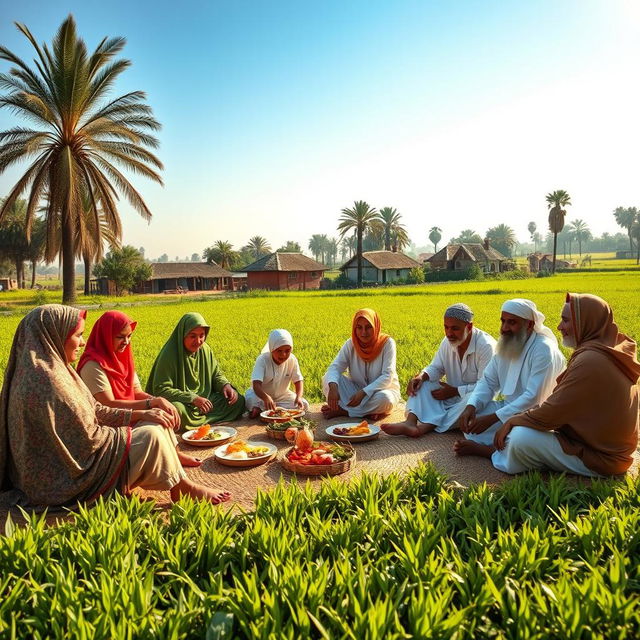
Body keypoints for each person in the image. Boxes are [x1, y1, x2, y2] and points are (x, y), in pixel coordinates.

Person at [0, 305, 230, 508]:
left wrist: (146, 410)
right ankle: (182, 487)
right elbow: (85, 435)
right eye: (77, 335)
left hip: (78, 455)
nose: (82, 341)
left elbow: (94, 412)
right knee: (151, 435)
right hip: (66, 475)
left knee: (155, 423)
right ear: (53, 336)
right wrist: (131, 425)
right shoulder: (48, 380)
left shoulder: (55, 370)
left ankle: (174, 465)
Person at [479, 294, 640, 476]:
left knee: (519, 437)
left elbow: (552, 413)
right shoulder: (603, 350)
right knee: (509, 425)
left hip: (601, 457)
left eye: (565, 320)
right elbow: (560, 405)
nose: (559, 327)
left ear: (585, 322)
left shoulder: (591, 360)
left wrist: (512, 420)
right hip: (592, 441)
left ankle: (492, 453)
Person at [77, 310, 202, 468]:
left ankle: (174, 452)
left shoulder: (122, 358)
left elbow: (136, 393)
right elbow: (108, 404)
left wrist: (158, 402)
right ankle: (171, 460)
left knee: (160, 414)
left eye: (129, 336)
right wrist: (151, 405)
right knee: (155, 422)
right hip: (111, 422)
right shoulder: (92, 365)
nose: (126, 342)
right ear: (105, 337)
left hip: (129, 414)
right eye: (120, 337)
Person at [454, 298, 565, 454]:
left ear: (529, 325)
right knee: (472, 416)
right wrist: (471, 407)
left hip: (537, 417)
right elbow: (488, 381)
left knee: (522, 438)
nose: (504, 328)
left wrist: (494, 418)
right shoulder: (507, 343)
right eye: (503, 321)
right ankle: (499, 445)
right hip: (509, 409)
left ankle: (489, 450)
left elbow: (534, 398)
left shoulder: (543, 350)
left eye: (512, 322)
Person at [382, 303, 496, 437]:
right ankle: (411, 422)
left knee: (473, 399)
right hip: (450, 397)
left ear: (469, 327)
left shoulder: (486, 347)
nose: (449, 333)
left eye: (455, 328)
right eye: (446, 327)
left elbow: (487, 388)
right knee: (423, 384)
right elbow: (436, 368)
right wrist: (421, 377)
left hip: (474, 401)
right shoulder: (447, 342)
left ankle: (426, 426)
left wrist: (454, 391)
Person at [146, 312, 245, 429]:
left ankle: (199, 422)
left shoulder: (205, 350)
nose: (198, 341)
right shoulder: (170, 354)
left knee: (238, 401)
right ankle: (202, 421)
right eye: (192, 336)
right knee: (176, 410)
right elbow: (161, 390)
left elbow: (216, 374)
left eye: (201, 336)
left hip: (206, 401)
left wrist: (225, 385)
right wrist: (192, 398)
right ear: (183, 335)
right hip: (184, 403)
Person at [321, 308, 400, 421]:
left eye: (368, 327)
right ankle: (368, 412)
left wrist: (364, 392)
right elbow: (335, 367)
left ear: (376, 326)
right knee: (328, 379)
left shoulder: (387, 343)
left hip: (381, 391)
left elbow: (387, 376)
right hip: (356, 390)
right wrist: (333, 387)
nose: (363, 332)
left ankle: (344, 411)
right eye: (359, 327)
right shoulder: (351, 344)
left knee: (386, 399)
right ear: (354, 328)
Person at [245, 329, 309, 418]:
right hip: (261, 395)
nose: (283, 355)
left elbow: (298, 380)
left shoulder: (292, 359)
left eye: (287, 351)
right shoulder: (262, 359)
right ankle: (261, 409)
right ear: (272, 349)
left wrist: (298, 397)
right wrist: (266, 398)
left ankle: (265, 411)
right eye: (279, 350)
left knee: (304, 404)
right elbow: (256, 385)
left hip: (282, 396)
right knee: (250, 399)